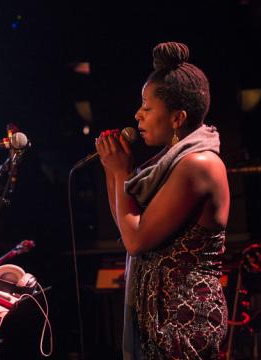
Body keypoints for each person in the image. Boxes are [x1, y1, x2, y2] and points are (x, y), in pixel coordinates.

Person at [95, 42, 229, 359]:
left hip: (185, 321)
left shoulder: (198, 165)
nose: (137, 115)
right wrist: (113, 173)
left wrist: (122, 171)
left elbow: (136, 240)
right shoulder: (167, 165)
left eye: (147, 107)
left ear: (177, 117)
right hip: (161, 317)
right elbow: (127, 225)